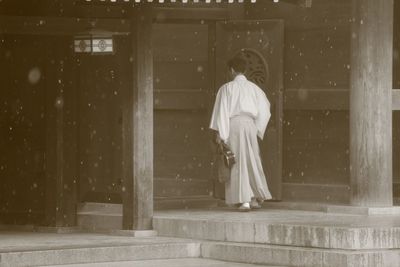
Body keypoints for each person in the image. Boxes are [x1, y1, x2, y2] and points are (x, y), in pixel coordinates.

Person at [209, 54, 272, 211]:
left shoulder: (226, 89)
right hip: (250, 125)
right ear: (244, 70)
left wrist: (221, 134)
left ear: (231, 70)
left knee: (237, 162)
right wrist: (257, 128)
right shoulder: (255, 89)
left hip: (234, 125)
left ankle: (244, 200)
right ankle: (255, 197)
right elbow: (266, 109)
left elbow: (222, 111)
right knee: (252, 159)